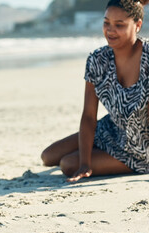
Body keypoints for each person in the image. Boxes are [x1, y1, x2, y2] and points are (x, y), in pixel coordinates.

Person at [41, 0, 149, 182]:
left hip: (140, 147)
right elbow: (89, 116)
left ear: (137, 25)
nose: (110, 30)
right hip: (111, 129)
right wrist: (85, 162)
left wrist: (83, 163)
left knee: (68, 164)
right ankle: (97, 154)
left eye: (119, 25)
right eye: (106, 23)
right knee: (48, 156)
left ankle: (102, 157)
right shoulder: (97, 60)